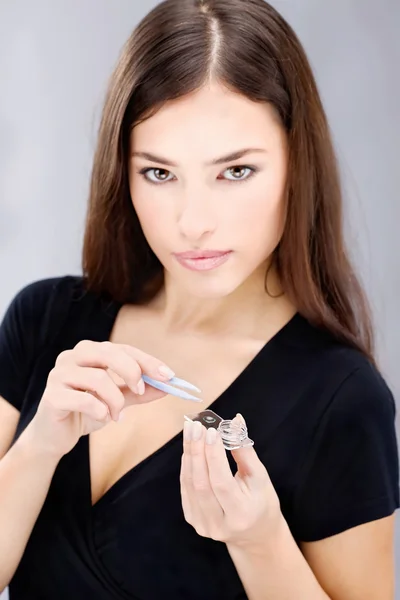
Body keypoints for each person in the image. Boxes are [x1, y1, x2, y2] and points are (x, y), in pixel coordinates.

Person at [0, 0, 398, 598]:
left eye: (235, 171)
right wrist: (40, 445)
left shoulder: (341, 401)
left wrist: (259, 541)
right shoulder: (46, 322)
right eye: (159, 173)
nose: (193, 222)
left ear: (297, 163)